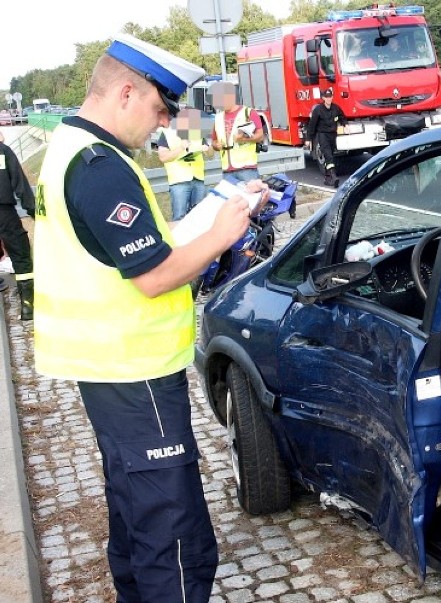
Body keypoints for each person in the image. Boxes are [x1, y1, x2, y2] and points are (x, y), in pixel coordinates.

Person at [32, 33, 266, 602]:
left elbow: (128, 254)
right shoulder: (100, 166)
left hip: (108, 371)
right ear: (127, 92)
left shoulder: (68, 149)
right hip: (134, 371)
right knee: (172, 529)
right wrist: (221, 234)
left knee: (134, 511)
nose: (163, 126)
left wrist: (203, 225)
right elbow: (154, 275)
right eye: (162, 110)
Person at [0, 130, 34, 319]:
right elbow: (20, 184)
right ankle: (28, 306)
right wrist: (32, 210)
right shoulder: (4, 152)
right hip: (4, 213)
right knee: (21, 257)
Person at [157, 107, 209, 220]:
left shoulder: (198, 133)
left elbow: (210, 153)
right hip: (179, 181)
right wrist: (181, 148)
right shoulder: (167, 133)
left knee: (199, 217)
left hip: (198, 179)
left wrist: (206, 148)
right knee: (179, 217)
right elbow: (163, 157)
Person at [210, 81, 265, 182]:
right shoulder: (217, 118)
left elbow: (260, 136)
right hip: (227, 171)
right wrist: (216, 145)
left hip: (247, 169)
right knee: (231, 198)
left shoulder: (248, 113)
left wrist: (244, 139)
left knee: (250, 198)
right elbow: (214, 141)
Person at [305, 87, 347, 187]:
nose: (329, 99)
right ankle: (334, 177)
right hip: (322, 135)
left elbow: (342, 117)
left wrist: (345, 125)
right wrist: (308, 139)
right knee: (328, 155)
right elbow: (312, 125)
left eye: (330, 97)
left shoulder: (336, 108)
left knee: (330, 156)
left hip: (332, 135)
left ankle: (327, 178)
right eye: (327, 97)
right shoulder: (318, 110)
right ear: (323, 98)